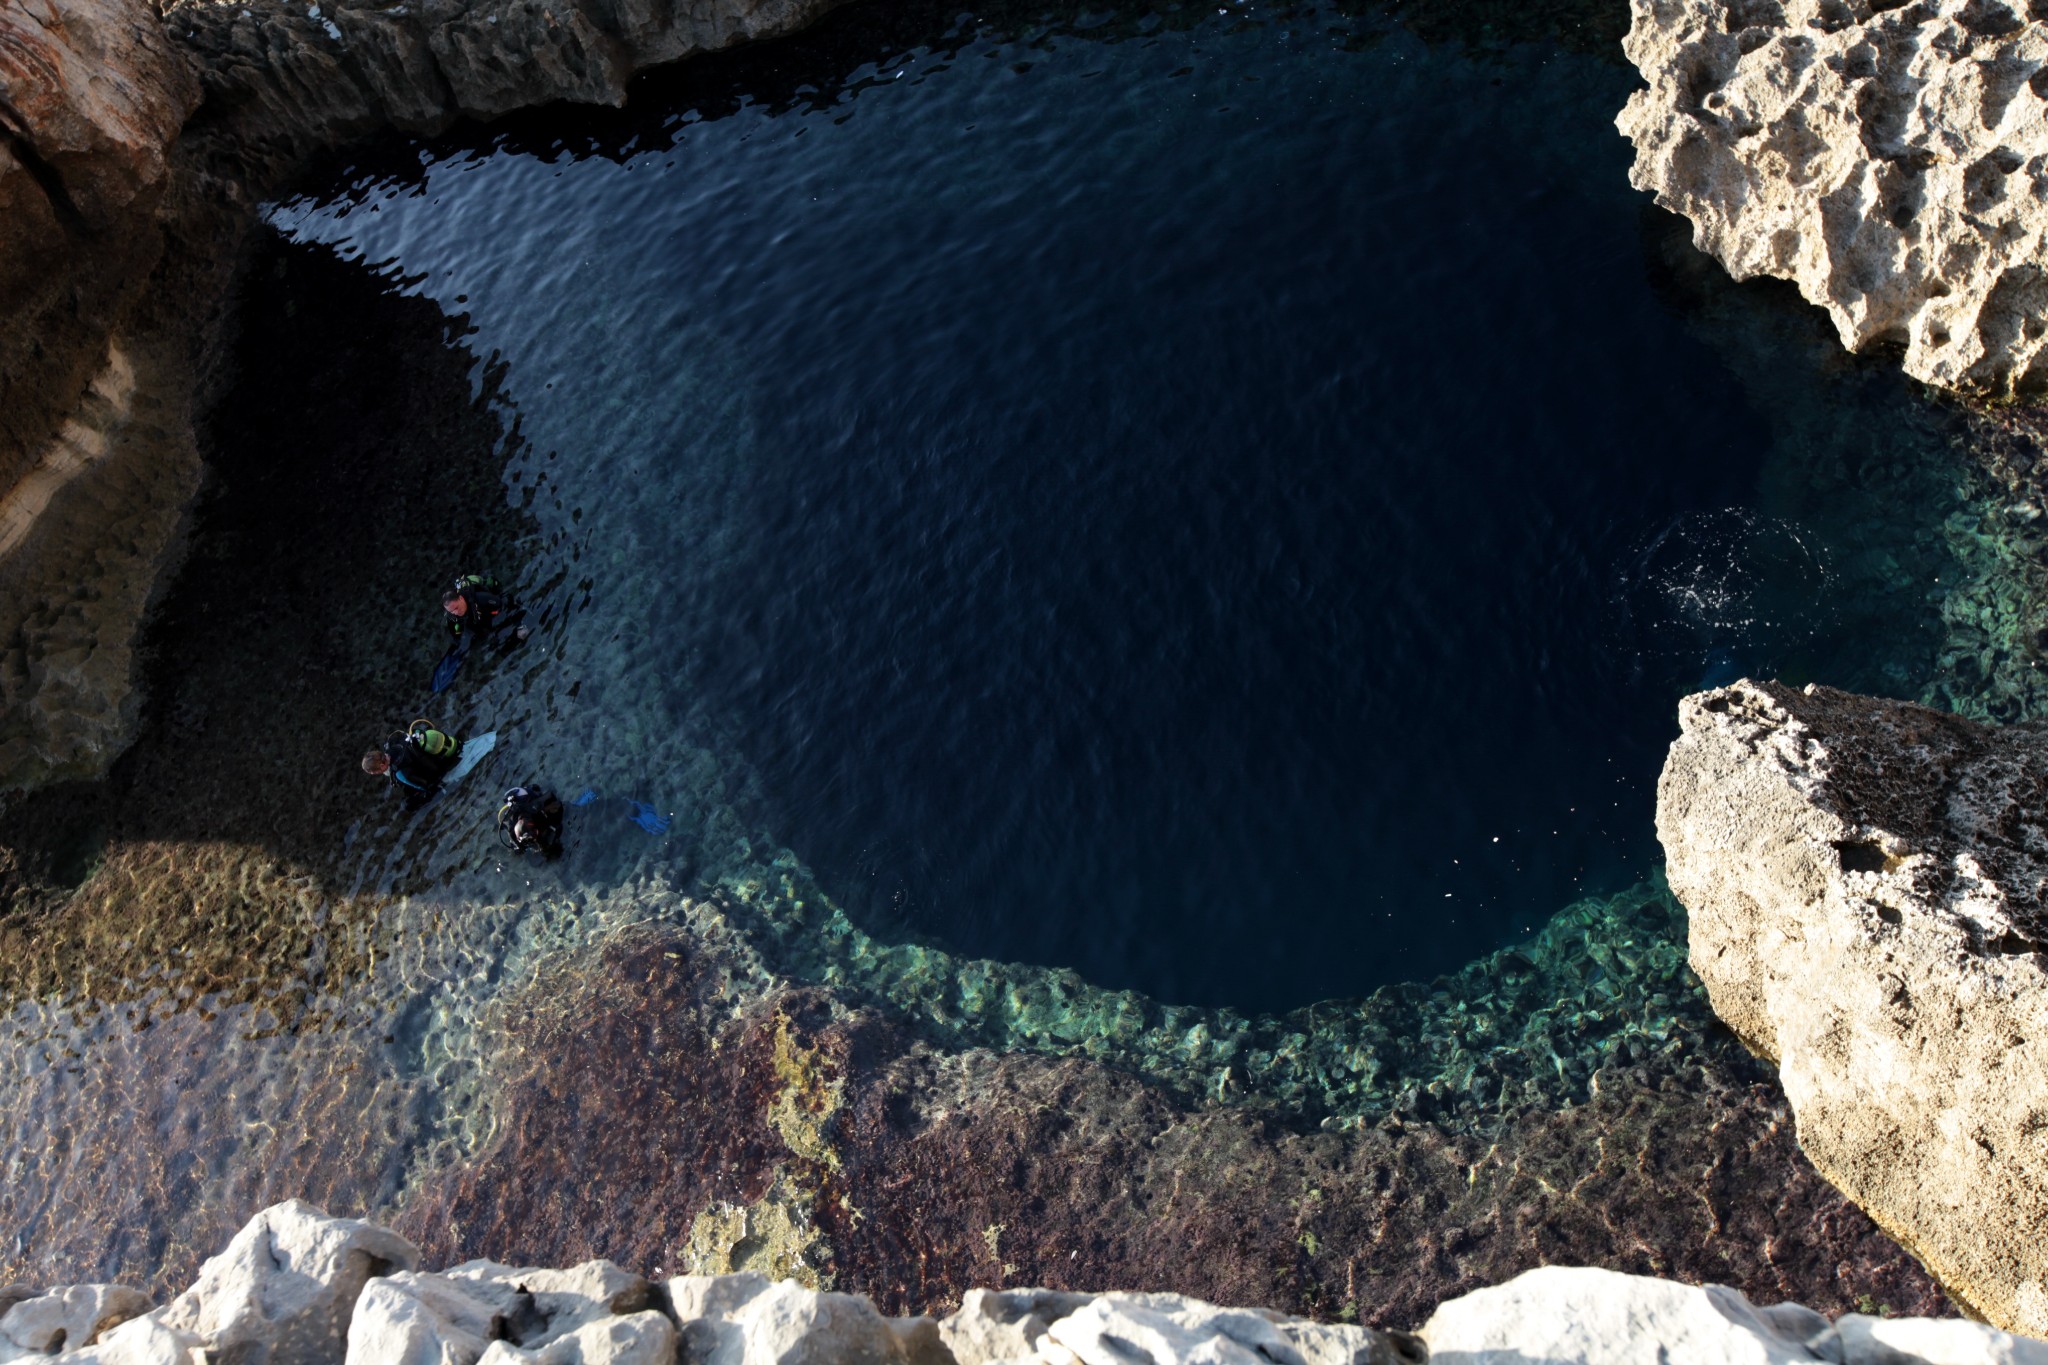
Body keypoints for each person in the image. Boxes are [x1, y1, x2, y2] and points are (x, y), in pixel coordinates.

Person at [361, 720, 464, 807]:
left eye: (375, 772)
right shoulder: (393, 745)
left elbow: (426, 787)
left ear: (382, 766)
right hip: (445, 747)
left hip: (442, 765)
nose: (376, 774)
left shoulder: (400, 773)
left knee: (408, 804)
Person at [442, 573, 531, 645]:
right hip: (474, 616)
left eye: (456, 608)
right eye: (451, 611)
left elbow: (506, 604)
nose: (455, 612)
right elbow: (455, 631)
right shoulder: (451, 615)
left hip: (489, 607)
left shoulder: (481, 598)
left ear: (461, 598)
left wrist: (520, 626)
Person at [497, 785, 564, 857]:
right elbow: (516, 846)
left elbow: (553, 799)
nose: (536, 835)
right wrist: (520, 847)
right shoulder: (511, 831)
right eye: (534, 833)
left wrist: (547, 810)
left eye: (535, 832)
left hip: (531, 804)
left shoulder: (533, 807)